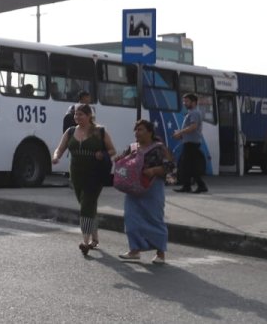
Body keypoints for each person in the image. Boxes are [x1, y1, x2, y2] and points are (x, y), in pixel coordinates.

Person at [52, 103, 117, 256]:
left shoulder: (100, 131)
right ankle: (95, 238)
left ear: (89, 116)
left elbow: (112, 150)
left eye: (80, 114)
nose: (77, 117)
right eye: (75, 114)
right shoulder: (70, 131)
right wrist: (56, 157)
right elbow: (60, 148)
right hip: (76, 174)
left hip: (95, 173)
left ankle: (85, 242)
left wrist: (103, 154)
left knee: (86, 204)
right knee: (87, 204)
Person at [117, 119, 175, 264]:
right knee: (131, 218)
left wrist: (154, 170)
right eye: (136, 130)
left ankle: (160, 253)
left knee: (154, 218)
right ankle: (134, 250)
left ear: (149, 132)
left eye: (141, 129)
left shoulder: (159, 148)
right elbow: (123, 161)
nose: (137, 133)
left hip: (152, 187)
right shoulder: (132, 148)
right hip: (133, 188)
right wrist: (119, 159)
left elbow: (170, 167)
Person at [173, 92, 208, 193]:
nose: (184, 103)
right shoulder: (190, 113)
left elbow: (193, 127)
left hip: (192, 143)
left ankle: (201, 186)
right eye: (184, 101)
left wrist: (180, 132)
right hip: (189, 142)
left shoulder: (194, 113)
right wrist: (181, 135)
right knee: (187, 165)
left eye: (187, 101)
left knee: (189, 165)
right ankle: (187, 186)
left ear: (194, 102)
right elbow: (190, 128)